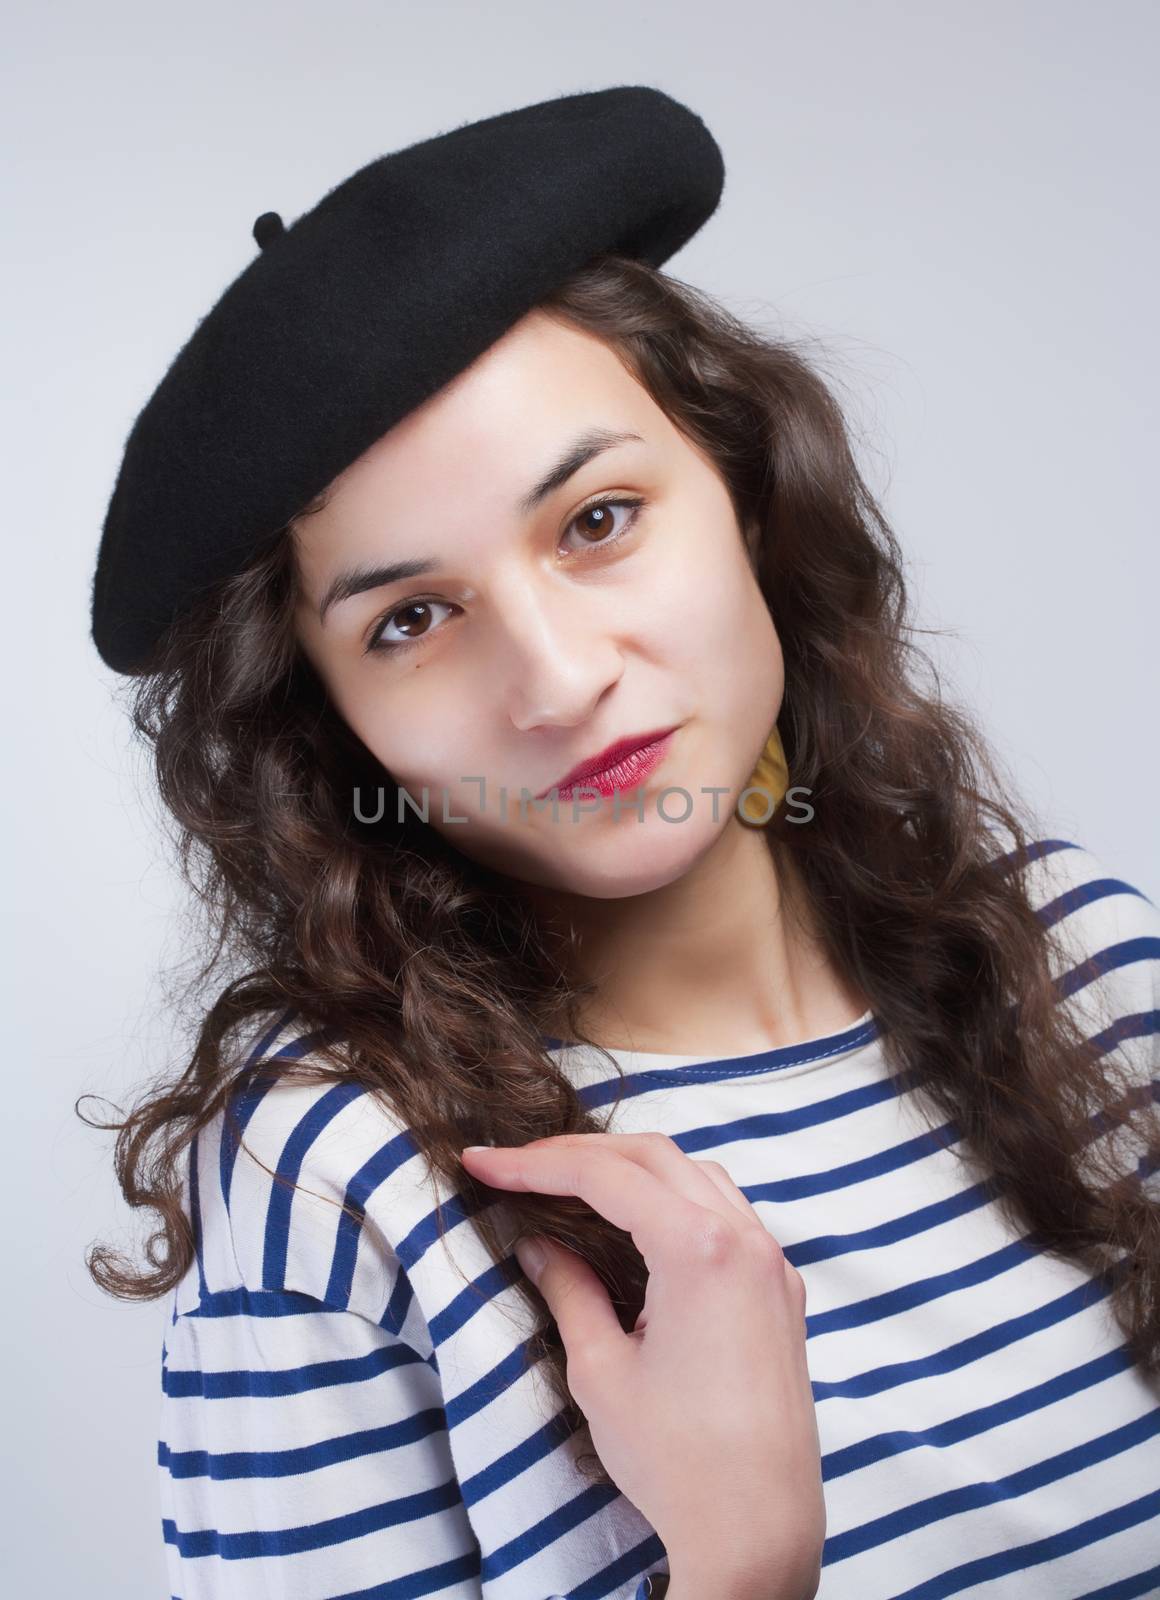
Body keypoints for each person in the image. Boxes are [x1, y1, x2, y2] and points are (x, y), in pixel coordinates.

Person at [83, 90, 1160, 1600]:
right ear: (334, 730)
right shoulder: (350, 1186)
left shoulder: (1092, 967)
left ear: (748, 498)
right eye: (410, 619)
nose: (557, 679)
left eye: (596, 520)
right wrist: (741, 1564)